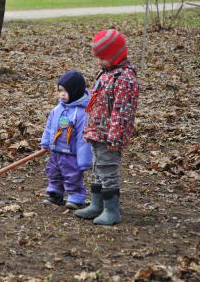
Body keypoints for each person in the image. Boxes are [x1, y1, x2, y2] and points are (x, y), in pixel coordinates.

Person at [74, 29, 139, 225]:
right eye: (98, 58)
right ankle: (97, 204)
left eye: (103, 58)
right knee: (97, 168)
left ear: (116, 55)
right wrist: (89, 126)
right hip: (97, 131)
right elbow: (95, 103)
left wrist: (115, 137)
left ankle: (112, 210)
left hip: (110, 136)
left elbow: (122, 112)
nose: (99, 62)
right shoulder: (106, 73)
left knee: (108, 169)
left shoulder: (125, 79)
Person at [40, 71, 92, 210]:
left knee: (72, 175)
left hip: (71, 153)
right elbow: (50, 127)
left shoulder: (82, 113)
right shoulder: (57, 109)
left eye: (65, 91)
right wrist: (45, 142)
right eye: (60, 91)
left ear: (75, 91)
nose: (62, 94)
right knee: (53, 173)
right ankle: (55, 194)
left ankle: (76, 197)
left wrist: (84, 160)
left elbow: (83, 138)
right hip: (56, 151)